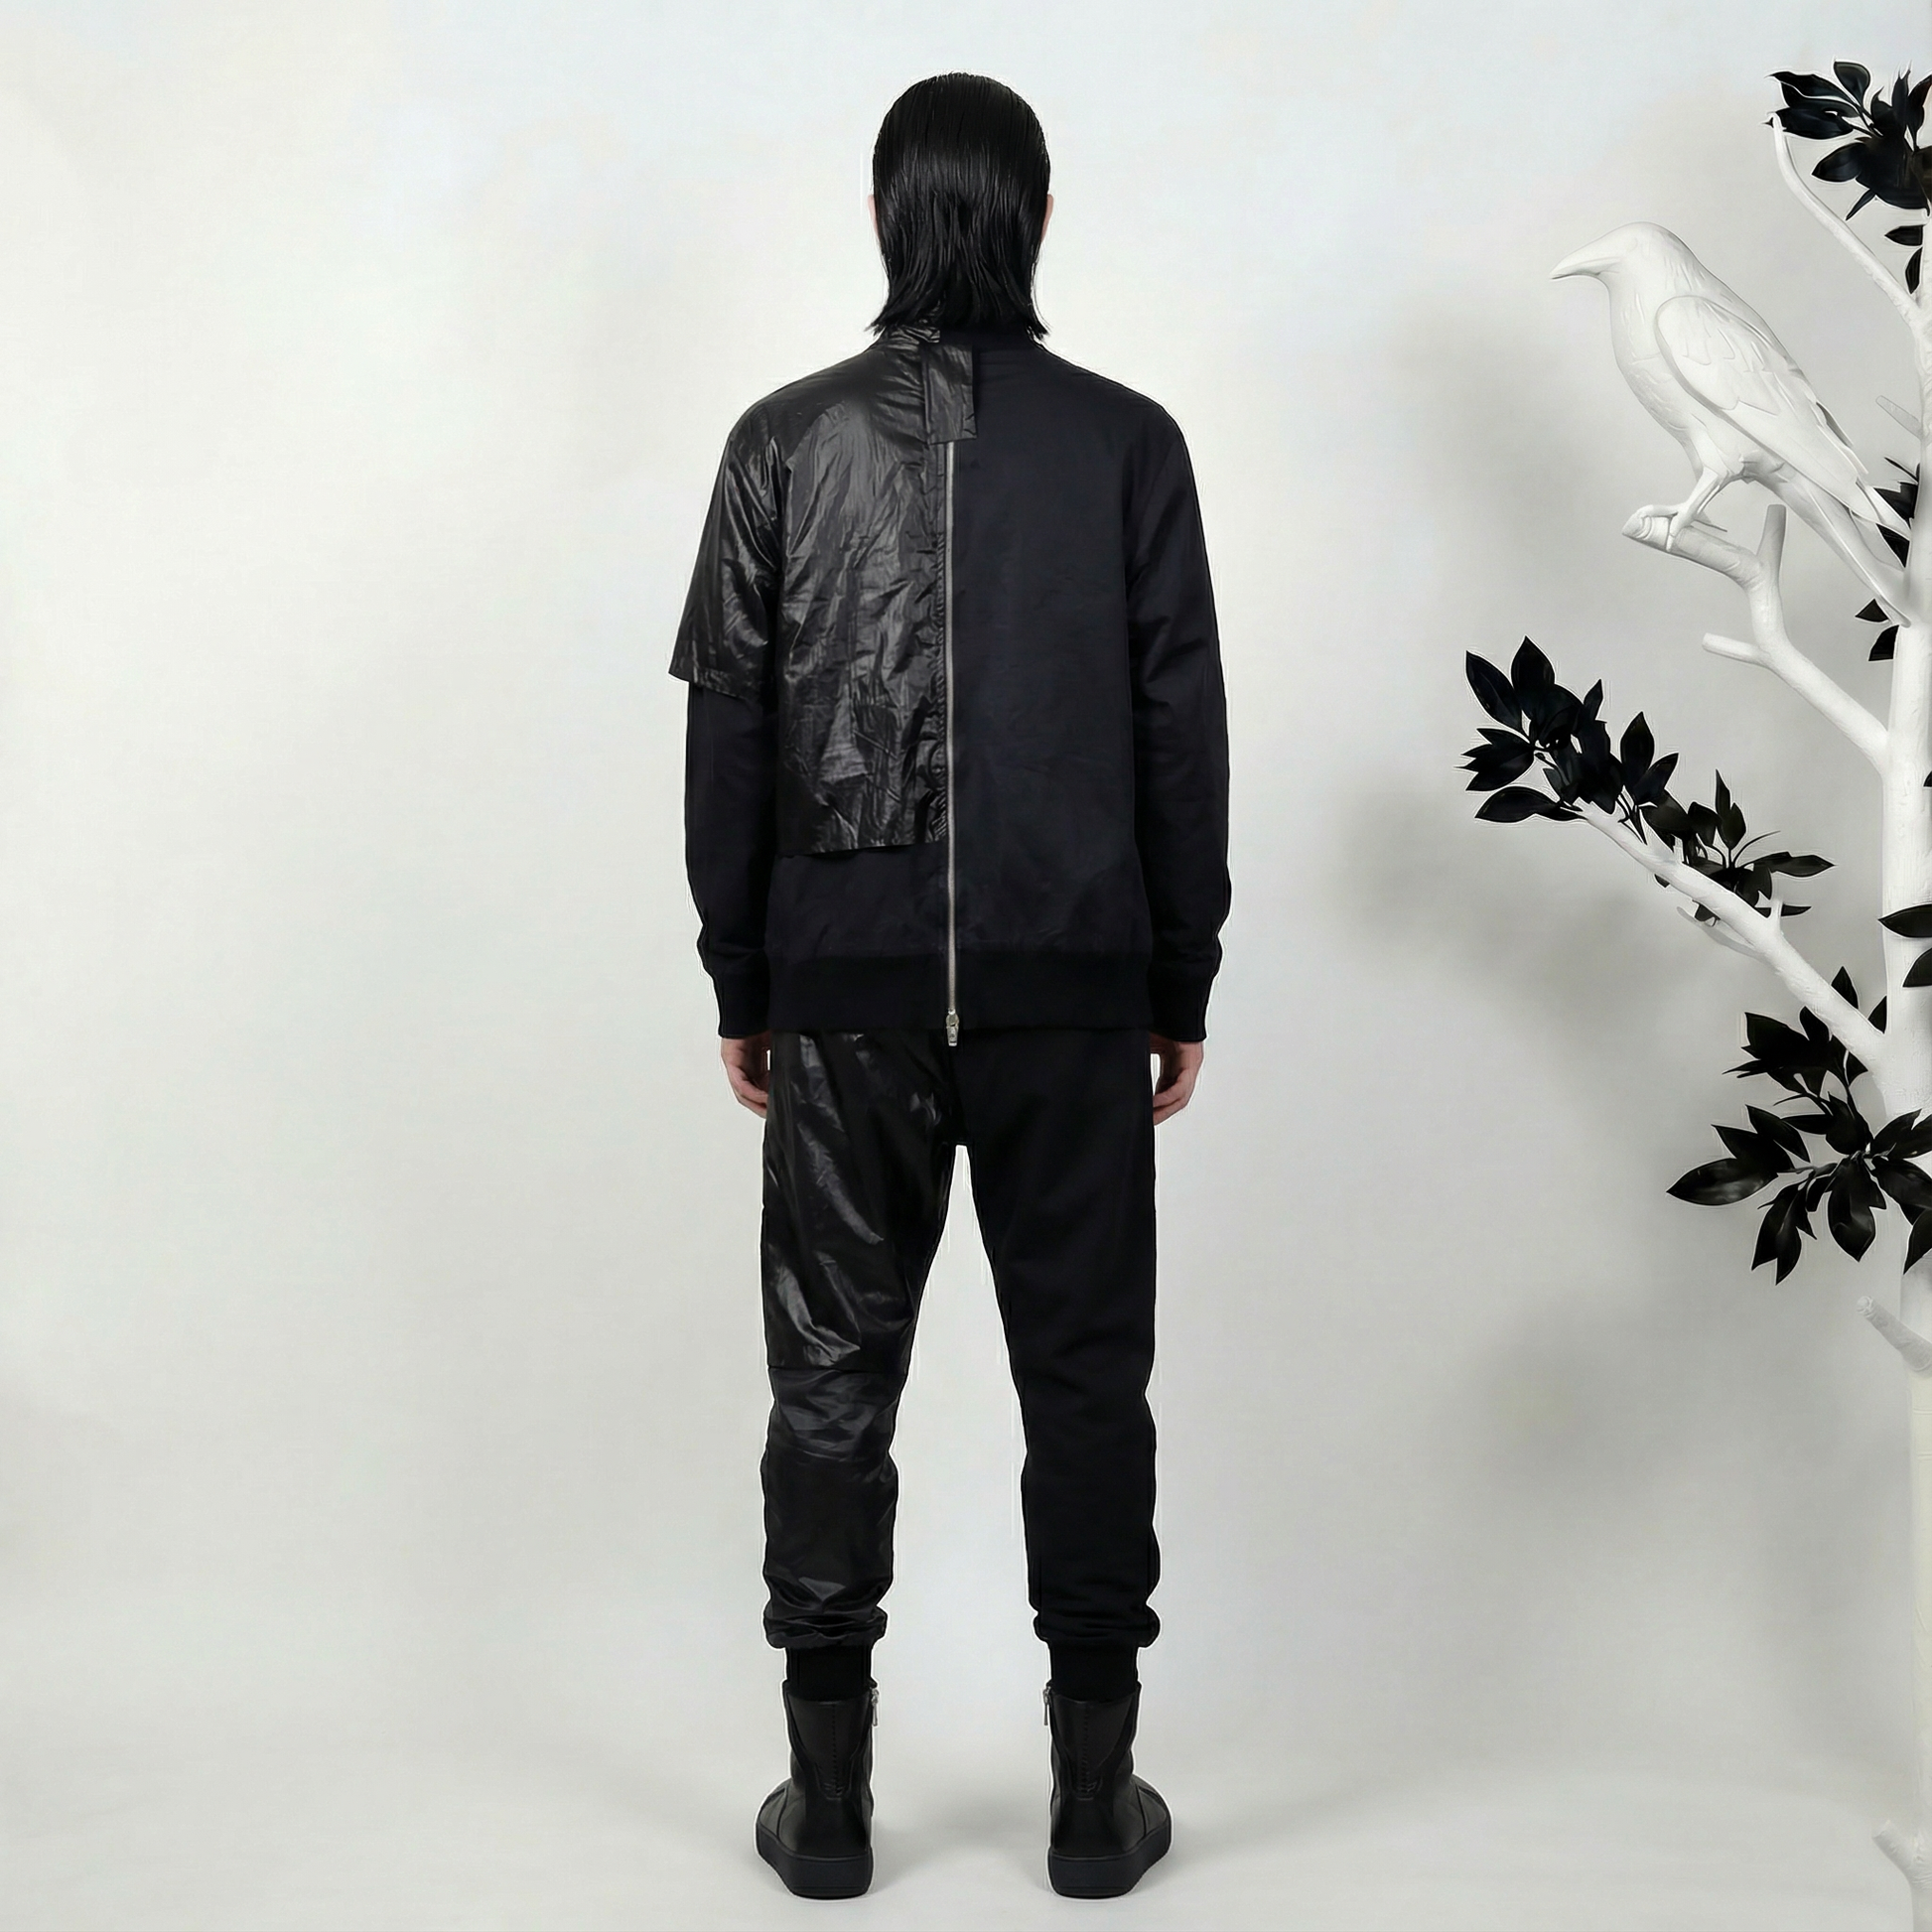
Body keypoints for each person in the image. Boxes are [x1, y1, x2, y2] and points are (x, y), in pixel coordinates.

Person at [671, 70, 1229, 1900]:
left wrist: (744, 973)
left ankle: (828, 1808)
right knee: (1087, 1382)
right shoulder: (1130, 444)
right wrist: (1176, 972)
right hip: (1074, 991)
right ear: (1038, 217)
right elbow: (1179, 723)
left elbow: (730, 730)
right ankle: (1092, 1806)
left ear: (882, 218)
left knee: (831, 1380)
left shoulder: (778, 443)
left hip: (845, 995)